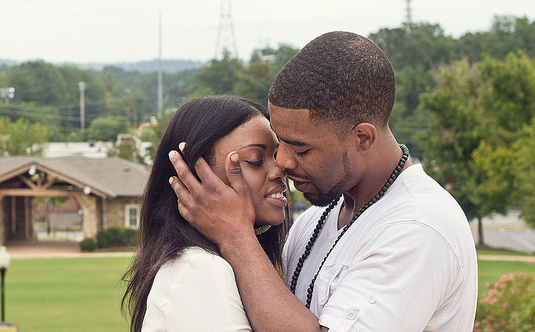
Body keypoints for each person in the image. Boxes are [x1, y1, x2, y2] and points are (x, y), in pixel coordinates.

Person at [168, 31, 478, 332]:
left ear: (363, 138)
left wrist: (236, 237)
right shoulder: (314, 220)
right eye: (281, 144)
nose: (283, 162)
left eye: (301, 148)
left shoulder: (418, 224)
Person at [122, 95, 290, 332]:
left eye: (276, 155)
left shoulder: (219, 264)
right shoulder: (201, 269)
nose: (279, 170)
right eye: (255, 160)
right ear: (194, 178)